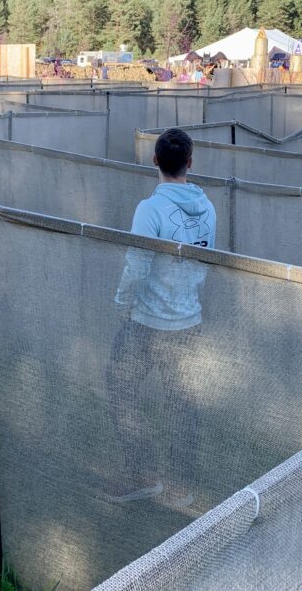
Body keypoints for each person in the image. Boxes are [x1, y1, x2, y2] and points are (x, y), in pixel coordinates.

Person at [107, 128, 216, 507]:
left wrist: (123, 303)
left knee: (121, 389)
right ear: (190, 162)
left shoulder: (149, 209)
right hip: (189, 322)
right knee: (183, 404)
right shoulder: (209, 208)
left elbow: (136, 263)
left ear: (154, 160)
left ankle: (144, 474)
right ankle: (179, 486)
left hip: (148, 324)